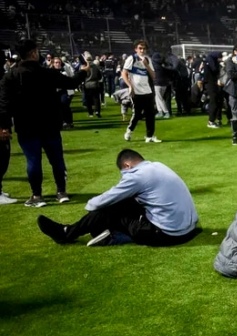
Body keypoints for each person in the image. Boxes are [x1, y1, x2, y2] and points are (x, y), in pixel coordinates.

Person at [36, 149, 199, 247]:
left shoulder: (137, 176)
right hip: (188, 230)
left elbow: (102, 201)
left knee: (109, 209)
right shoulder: (157, 165)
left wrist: (90, 204)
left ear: (127, 165)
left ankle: (67, 233)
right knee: (125, 204)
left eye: (123, 172)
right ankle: (104, 233)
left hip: (167, 235)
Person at [0, 39, 89, 207]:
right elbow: (71, 82)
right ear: (34, 53)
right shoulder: (47, 73)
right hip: (50, 123)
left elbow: (4, 104)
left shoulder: (10, 76)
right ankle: (61, 192)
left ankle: (37, 195)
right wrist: (83, 71)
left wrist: (4, 126)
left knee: (33, 160)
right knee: (56, 159)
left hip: (26, 125)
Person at [122, 40, 161, 144]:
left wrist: (146, 65)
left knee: (150, 114)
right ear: (136, 49)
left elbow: (153, 76)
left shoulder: (148, 59)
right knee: (137, 114)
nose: (142, 50)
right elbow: (124, 73)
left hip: (147, 91)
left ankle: (150, 136)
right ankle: (129, 131)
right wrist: (130, 86)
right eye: (140, 48)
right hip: (136, 92)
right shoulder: (132, 58)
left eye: (144, 48)